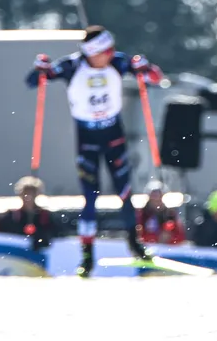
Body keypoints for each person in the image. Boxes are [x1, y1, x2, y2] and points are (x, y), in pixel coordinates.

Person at [25, 25, 162, 276]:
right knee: (90, 197)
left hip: (113, 135)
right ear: (93, 52)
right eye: (106, 50)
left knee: (125, 191)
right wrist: (41, 69)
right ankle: (87, 257)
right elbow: (33, 82)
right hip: (87, 138)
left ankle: (135, 244)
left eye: (112, 49)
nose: (111, 53)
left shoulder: (118, 63)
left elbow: (155, 79)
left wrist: (145, 67)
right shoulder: (72, 66)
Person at [0, 176, 56, 251]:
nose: (28, 197)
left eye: (32, 194)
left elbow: (53, 234)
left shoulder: (45, 216)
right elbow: (4, 234)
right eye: (26, 194)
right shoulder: (12, 216)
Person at [137, 181, 185, 245]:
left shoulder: (170, 215)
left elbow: (180, 237)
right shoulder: (142, 215)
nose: (156, 199)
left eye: (159, 196)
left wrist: (170, 238)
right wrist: (156, 238)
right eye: (154, 196)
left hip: (166, 250)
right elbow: (138, 236)